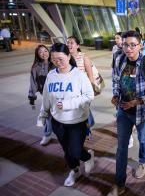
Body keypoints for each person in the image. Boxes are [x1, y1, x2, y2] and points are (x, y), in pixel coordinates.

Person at [109, 30, 145, 196]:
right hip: (123, 110)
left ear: (140, 46)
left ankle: (143, 161)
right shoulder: (119, 59)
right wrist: (116, 95)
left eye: (133, 45)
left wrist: (138, 101)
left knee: (142, 138)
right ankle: (120, 183)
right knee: (121, 147)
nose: (129, 48)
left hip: (141, 111)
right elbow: (116, 80)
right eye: (125, 44)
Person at [37, 43, 95, 187]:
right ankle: (75, 170)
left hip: (77, 121)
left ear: (69, 56)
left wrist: (69, 104)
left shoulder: (79, 75)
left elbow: (89, 95)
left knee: (75, 151)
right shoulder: (51, 75)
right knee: (67, 152)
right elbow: (46, 97)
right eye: (54, 59)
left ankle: (88, 156)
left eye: (61, 59)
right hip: (58, 121)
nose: (57, 63)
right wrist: (43, 115)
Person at [67, 36, 95, 136]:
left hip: (83, 90)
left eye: (71, 43)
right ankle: (80, 130)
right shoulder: (66, 57)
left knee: (84, 111)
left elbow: (90, 75)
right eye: (68, 42)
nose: (69, 45)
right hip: (71, 90)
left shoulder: (83, 57)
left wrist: (91, 90)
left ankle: (87, 130)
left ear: (77, 45)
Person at [28, 45, 54, 146]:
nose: (44, 53)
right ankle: (47, 134)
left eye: (45, 51)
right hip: (46, 94)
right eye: (41, 52)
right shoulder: (35, 67)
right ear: (37, 55)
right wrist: (31, 96)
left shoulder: (55, 63)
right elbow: (33, 82)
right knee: (48, 115)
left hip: (59, 93)